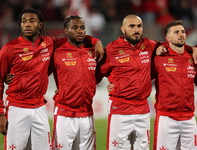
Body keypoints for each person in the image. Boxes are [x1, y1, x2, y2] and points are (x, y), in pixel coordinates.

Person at [0, 8, 104, 150]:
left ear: (40, 24)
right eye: (23, 21)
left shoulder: (49, 43)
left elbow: (75, 37)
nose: (27, 24)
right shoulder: (9, 48)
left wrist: (96, 41)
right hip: (17, 107)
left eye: (32, 21)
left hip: (39, 107)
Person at [96, 14, 167, 150]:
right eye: (132, 26)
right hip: (120, 108)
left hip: (143, 109)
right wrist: (114, 83)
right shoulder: (112, 49)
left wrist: (191, 48)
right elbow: (95, 75)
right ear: (123, 29)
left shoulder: (149, 45)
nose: (136, 29)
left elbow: (170, 45)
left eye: (139, 26)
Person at [50, 15, 97, 150]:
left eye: (82, 28)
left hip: (87, 113)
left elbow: (102, 73)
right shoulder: (57, 52)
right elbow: (40, 73)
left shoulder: (93, 52)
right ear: (66, 31)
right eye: (75, 28)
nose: (79, 31)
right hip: (64, 113)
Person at [152, 20, 197, 150]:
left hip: (189, 118)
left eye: (182, 31)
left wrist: (194, 49)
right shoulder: (159, 57)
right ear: (167, 38)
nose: (181, 34)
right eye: (176, 32)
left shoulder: (192, 57)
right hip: (166, 118)